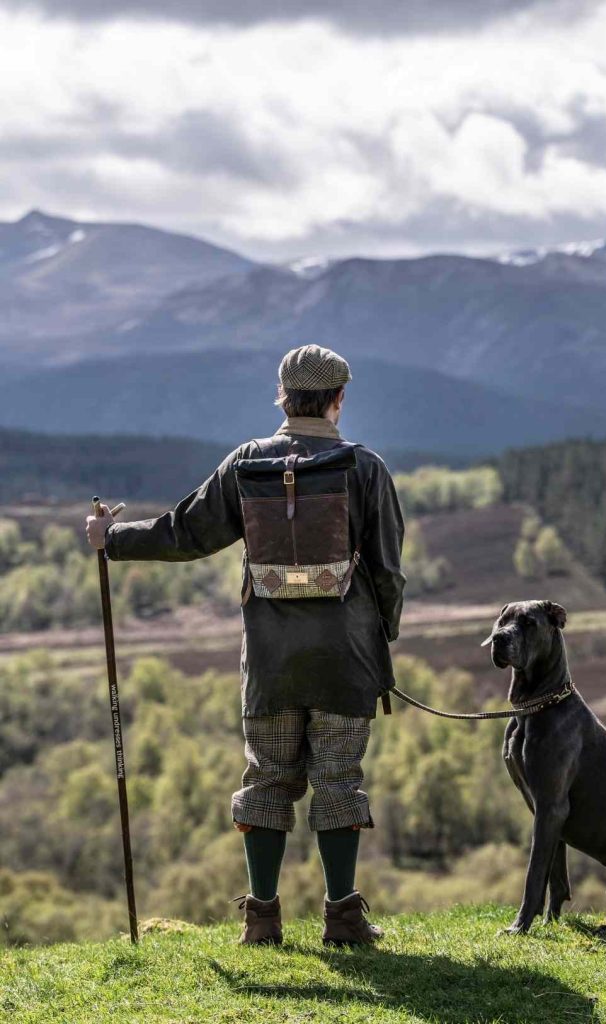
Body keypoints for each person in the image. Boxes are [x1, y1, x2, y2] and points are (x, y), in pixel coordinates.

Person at [86, 344, 406, 946]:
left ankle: (261, 917)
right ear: (339, 399)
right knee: (339, 782)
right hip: (347, 660)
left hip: (268, 660)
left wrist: (112, 537)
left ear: (282, 397)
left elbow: (186, 534)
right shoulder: (366, 469)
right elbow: (388, 571)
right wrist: (379, 638)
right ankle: (343, 918)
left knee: (266, 780)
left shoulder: (246, 464)